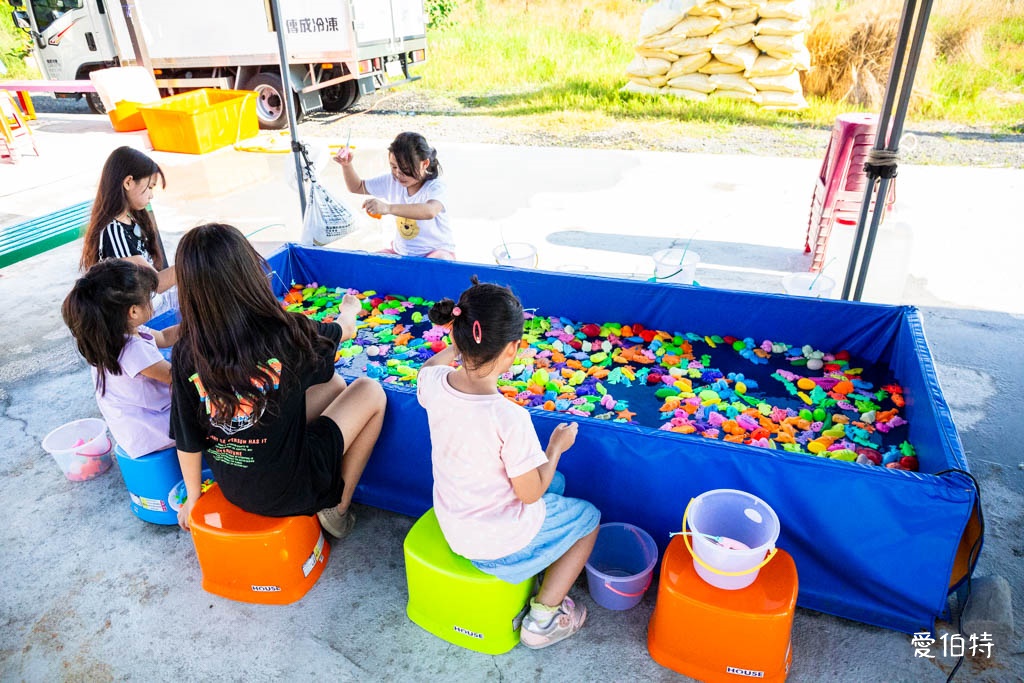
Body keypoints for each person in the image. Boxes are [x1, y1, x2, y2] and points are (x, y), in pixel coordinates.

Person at [169, 223, 386, 540]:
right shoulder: (288, 333)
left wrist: (194, 498)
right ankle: (338, 510)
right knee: (370, 391)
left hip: (235, 487)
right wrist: (349, 308)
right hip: (292, 490)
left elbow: (187, 439)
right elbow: (346, 330)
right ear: (249, 274)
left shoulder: (187, 351)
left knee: (334, 386)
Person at [417, 278, 600, 649]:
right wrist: (556, 446)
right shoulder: (508, 418)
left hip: (456, 524)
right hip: (495, 544)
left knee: (558, 483)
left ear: (457, 335)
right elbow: (531, 495)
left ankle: (540, 571)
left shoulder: (432, 382)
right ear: (513, 349)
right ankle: (544, 619)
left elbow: (433, 366)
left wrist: (456, 345)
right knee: (589, 518)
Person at [61, 259, 178, 459]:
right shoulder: (133, 350)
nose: (152, 301)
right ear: (133, 311)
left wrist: (199, 323)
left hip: (134, 428)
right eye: (149, 298)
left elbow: (165, 338)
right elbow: (177, 377)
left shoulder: (118, 333)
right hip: (154, 433)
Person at [80, 146, 176, 315]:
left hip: (147, 302)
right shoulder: (113, 231)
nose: (151, 195)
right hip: (134, 313)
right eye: (150, 187)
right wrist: (192, 261)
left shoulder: (132, 217)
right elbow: (155, 284)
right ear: (128, 182)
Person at [333, 131, 455, 259]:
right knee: (370, 262)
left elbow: (430, 211)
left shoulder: (435, 187)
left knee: (439, 262)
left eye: (406, 169)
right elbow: (357, 187)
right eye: (394, 167)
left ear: (424, 164)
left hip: (435, 253)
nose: (398, 173)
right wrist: (346, 166)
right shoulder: (392, 181)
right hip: (400, 253)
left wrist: (387, 208)